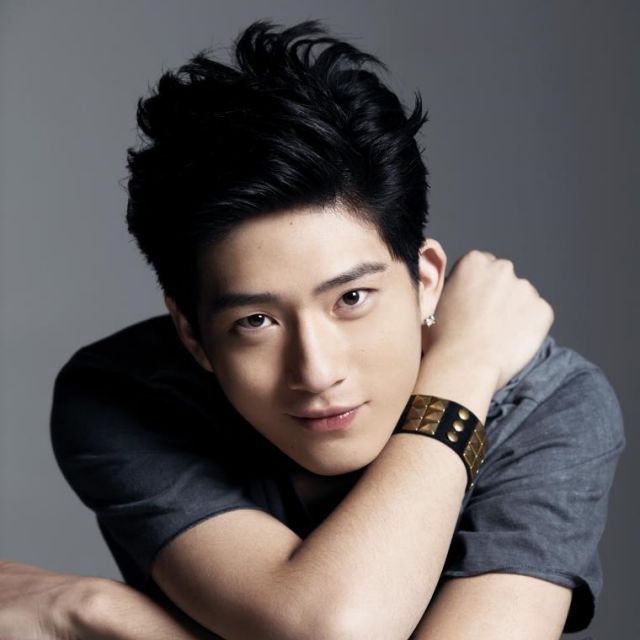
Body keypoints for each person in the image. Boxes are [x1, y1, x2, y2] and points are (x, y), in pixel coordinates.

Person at [0, 19, 625, 640]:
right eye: (256, 321)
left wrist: (98, 614)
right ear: (191, 334)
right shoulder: (127, 394)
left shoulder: (546, 407)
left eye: (352, 298)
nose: (318, 372)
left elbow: (335, 629)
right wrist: (464, 370)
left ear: (426, 280)